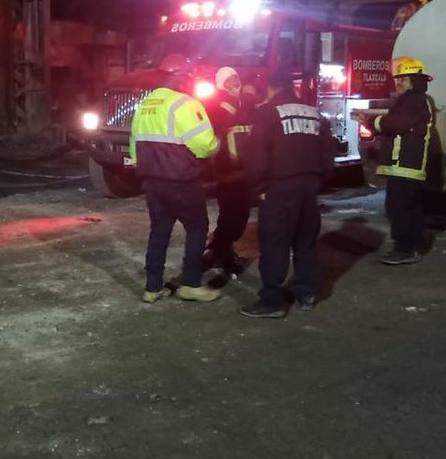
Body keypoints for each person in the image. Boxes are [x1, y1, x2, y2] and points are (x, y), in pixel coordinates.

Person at [240, 71, 334, 318]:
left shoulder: (267, 113)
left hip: (278, 187)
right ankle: (306, 293)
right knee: (305, 241)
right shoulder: (314, 113)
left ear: (270, 88)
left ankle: (272, 302)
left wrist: (258, 188)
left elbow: (256, 156)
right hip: (309, 186)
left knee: (275, 243)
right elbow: (328, 154)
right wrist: (317, 183)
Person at [129, 76, 222, 303]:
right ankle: (191, 284)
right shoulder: (185, 103)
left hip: (152, 181)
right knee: (197, 228)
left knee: (159, 231)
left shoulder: (145, 105)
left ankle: (153, 288)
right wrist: (217, 145)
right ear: (182, 82)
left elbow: (134, 143)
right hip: (182, 181)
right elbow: (204, 143)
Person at [361, 56, 436, 265]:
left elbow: (395, 124)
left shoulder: (414, 100)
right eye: (397, 79)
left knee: (398, 207)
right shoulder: (415, 100)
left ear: (414, 80)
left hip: (405, 165)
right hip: (404, 166)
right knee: (409, 207)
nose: (398, 83)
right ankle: (411, 247)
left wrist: (369, 120)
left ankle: (404, 248)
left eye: (402, 79)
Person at [203, 66, 252, 275]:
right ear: (221, 84)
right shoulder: (217, 105)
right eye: (230, 80)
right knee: (231, 214)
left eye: (236, 78)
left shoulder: (243, 103)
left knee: (238, 214)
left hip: (244, 169)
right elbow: (215, 128)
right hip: (228, 170)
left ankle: (220, 250)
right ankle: (220, 253)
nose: (235, 83)